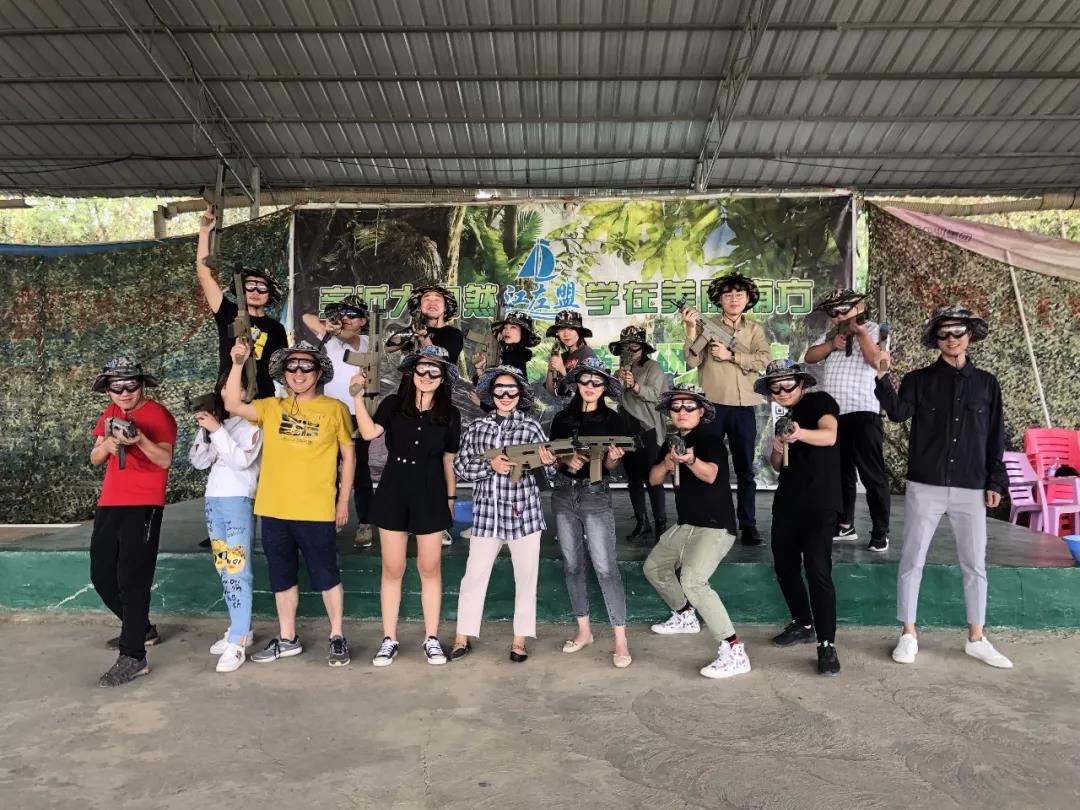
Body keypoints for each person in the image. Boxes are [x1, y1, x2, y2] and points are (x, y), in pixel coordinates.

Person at [876, 305, 1012, 669]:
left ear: (970, 335)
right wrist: (882, 376)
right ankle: (908, 633)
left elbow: (995, 436)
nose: (952, 339)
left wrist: (996, 480)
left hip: (971, 485)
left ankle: (977, 638)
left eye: (958, 332)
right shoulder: (919, 380)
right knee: (912, 559)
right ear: (936, 339)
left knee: (975, 564)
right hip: (926, 484)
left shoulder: (987, 384)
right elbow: (898, 413)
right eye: (944, 333)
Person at [223, 340, 355, 668]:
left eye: (306, 366)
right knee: (282, 577)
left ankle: (337, 635)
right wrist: (237, 363)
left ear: (319, 373)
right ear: (283, 374)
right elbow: (232, 404)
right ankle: (287, 638)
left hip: (316, 509)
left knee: (327, 574)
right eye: (292, 366)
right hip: (273, 509)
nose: (298, 372)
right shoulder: (271, 407)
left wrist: (343, 501)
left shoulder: (335, 409)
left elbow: (349, 456)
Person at [350, 345, 462, 667]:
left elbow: (448, 462)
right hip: (394, 489)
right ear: (412, 373)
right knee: (392, 568)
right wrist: (357, 398)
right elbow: (369, 433)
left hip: (431, 491)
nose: (427, 375)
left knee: (430, 567)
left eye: (434, 371)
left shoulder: (450, 414)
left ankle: (431, 638)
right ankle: (389, 638)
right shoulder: (392, 404)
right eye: (422, 369)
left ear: (443, 378)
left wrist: (451, 500)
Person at [450, 366, 556, 663]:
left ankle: (520, 639)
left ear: (520, 394)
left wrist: (548, 463)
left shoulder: (531, 428)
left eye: (512, 390)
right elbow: (460, 466)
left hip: (525, 515)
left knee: (526, 580)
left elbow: (549, 476)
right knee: (473, 577)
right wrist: (491, 466)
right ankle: (462, 636)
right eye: (499, 390)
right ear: (490, 394)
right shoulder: (477, 428)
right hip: (487, 515)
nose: (505, 396)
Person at [645, 384, 750, 679]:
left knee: (693, 581)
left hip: (715, 527)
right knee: (654, 568)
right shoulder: (671, 442)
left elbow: (711, 474)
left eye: (689, 406)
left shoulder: (710, 440)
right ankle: (684, 615)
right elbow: (653, 479)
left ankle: (734, 651)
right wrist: (667, 462)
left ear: (701, 411)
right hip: (686, 524)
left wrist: (690, 460)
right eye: (676, 407)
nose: (682, 412)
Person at [88, 358, 176, 687]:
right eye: (116, 387)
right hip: (110, 502)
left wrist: (139, 440)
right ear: (107, 390)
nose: (124, 393)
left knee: (132, 579)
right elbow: (95, 457)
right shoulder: (109, 413)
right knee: (101, 575)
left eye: (131, 386)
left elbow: (164, 459)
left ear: (142, 385)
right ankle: (141, 629)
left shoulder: (158, 415)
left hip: (144, 504)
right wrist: (107, 445)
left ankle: (134, 655)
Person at [758, 359, 842, 676]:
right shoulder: (785, 417)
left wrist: (798, 433)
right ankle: (803, 623)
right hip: (788, 502)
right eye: (774, 388)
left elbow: (829, 435)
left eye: (787, 385)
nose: (781, 392)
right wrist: (779, 445)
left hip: (820, 503)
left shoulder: (820, 401)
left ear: (802, 383)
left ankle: (826, 644)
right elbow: (777, 465)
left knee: (818, 570)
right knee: (785, 567)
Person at [549, 357, 632, 668]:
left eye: (597, 382)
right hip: (563, 493)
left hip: (595, 494)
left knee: (605, 567)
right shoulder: (561, 418)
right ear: (577, 384)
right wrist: (565, 460)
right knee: (572, 565)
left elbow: (611, 465)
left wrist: (613, 458)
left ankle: (621, 641)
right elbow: (552, 455)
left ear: (605, 387)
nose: (591, 386)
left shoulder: (614, 420)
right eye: (585, 380)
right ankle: (584, 631)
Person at [680, 273, 771, 546]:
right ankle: (708, 520)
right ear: (719, 300)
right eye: (728, 295)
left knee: (745, 470)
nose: (734, 299)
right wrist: (690, 329)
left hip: (744, 408)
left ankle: (748, 524)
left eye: (739, 295)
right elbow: (692, 360)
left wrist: (732, 356)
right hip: (712, 407)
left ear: (747, 299)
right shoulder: (706, 325)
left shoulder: (754, 329)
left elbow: (765, 360)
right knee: (707, 465)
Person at [804, 289, 891, 551]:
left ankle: (880, 530)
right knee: (840, 474)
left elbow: (878, 362)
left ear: (860, 306)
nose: (839, 315)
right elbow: (809, 356)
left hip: (863, 410)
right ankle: (845, 524)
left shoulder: (875, 330)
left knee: (872, 475)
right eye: (834, 312)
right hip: (833, 415)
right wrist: (832, 344)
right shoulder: (832, 333)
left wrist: (860, 333)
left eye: (844, 309)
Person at [188, 370, 263, 673]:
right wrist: (208, 432)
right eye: (223, 388)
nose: (228, 393)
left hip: (238, 500)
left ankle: (238, 640)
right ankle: (239, 627)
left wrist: (217, 430)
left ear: (247, 391)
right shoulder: (219, 423)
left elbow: (241, 461)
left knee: (237, 568)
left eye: (236, 387)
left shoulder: (253, 423)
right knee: (224, 565)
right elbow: (198, 462)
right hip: (214, 500)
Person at [302, 295, 376, 548]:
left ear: (363, 321)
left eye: (352, 315)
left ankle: (365, 522)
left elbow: (394, 345)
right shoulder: (330, 338)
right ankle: (327, 518)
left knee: (361, 469)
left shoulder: (369, 341)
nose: (346, 319)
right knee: (328, 467)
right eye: (342, 314)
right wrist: (330, 327)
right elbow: (306, 317)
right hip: (331, 412)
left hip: (360, 412)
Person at [196, 206, 288, 399]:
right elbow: (204, 276)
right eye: (250, 286)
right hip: (229, 395)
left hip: (263, 400)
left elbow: (282, 370)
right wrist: (204, 232)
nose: (255, 292)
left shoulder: (277, 329)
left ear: (270, 295)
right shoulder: (227, 311)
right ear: (241, 290)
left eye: (262, 288)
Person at [610, 325, 668, 541]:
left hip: (648, 430)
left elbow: (658, 396)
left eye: (634, 346)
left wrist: (634, 385)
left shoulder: (653, 368)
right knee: (633, 479)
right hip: (626, 430)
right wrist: (618, 382)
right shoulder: (621, 369)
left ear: (643, 348)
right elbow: (614, 396)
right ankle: (642, 523)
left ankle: (661, 525)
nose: (630, 350)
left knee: (653, 479)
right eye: (625, 346)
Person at [389, 283, 464, 363]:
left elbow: (443, 361)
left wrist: (424, 339)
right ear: (419, 306)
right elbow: (388, 347)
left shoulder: (454, 334)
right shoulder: (415, 330)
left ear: (445, 307)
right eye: (427, 299)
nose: (432, 303)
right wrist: (409, 335)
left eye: (437, 299)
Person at [472, 310, 542, 381]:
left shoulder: (516, 360)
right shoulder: (511, 357)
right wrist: (479, 367)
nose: (507, 331)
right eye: (505, 327)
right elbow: (487, 384)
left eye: (513, 327)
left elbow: (493, 385)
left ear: (523, 333)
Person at [544, 309, 597, 396]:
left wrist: (562, 370)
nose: (566, 334)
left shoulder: (588, 355)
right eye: (561, 329)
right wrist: (550, 370)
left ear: (579, 332)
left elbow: (588, 391)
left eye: (571, 328)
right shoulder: (562, 357)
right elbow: (551, 392)